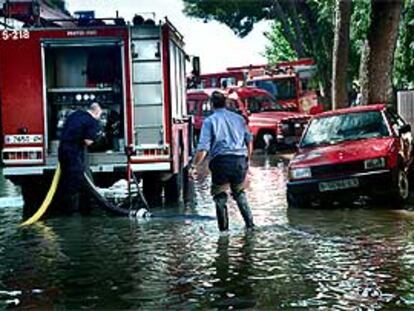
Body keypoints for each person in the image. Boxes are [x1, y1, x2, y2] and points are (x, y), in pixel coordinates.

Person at [190, 91, 254, 232]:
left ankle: (224, 232)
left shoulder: (209, 121)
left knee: (220, 196)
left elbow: (203, 148)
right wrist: (247, 160)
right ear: (226, 103)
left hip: (221, 163)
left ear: (211, 104)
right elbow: (249, 141)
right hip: (239, 162)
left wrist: (193, 166)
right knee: (239, 193)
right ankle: (250, 226)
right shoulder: (239, 119)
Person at [58, 102, 103, 213]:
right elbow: (88, 142)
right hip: (73, 151)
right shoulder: (92, 122)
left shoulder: (75, 114)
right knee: (76, 180)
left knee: (66, 178)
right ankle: (74, 211)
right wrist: (100, 140)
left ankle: (64, 206)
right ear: (97, 111)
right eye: (100, 114)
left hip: (62, 149)